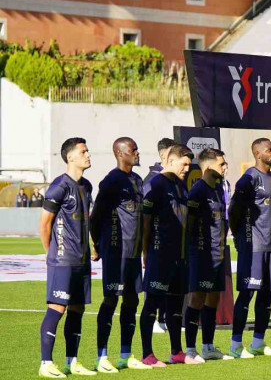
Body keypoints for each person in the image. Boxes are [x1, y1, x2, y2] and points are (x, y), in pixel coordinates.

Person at [89, 137, 150, 372]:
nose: (137, 152)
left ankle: (125, 354)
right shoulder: (111, 181)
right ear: (119, 153)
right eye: (133, 149)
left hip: (133, 253)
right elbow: (96, 218)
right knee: (111, 300)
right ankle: (101, 356)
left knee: (132, 300)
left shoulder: (136, 179)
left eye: (136, 148)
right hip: (117, 251)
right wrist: (97, 245)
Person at [38, 138, 96, 378]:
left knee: (77, 309)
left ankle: (71, 361)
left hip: (82, 260)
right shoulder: (59, 186)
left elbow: (86, 221)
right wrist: (50, 254)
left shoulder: (87, 186)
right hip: (62, 260)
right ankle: (45, 363)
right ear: (70, 157)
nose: (88, 154)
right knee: (57, 307)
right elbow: (44, 225)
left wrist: (92, 246)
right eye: (83, 151)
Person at [228, 138, 271, 358]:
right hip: (254, 247)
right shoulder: (249, 178)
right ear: (258, 154)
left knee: (267, 295)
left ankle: (258, 342)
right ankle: (235, 345)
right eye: (270, 149)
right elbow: (233, 211)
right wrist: (241, 238)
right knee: (247, 294)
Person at [140, 144, 193, 367]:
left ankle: (176, 352)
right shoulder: (155, 184)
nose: (187, 169)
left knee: (175, 306)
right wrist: (146, 252)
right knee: (152, 303)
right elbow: (145, 221)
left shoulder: (180, 185)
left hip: (180, 257)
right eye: (184, 164)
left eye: (189, 165)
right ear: (171, 161)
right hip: (160, 255)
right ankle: (147, 354)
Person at [183, 148, 233, 363]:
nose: (225, 167)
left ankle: (208, 347)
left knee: (213, 300)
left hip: (218, 253)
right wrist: (191, 252)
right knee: (197, 299)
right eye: (222, 164)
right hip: (202, 255)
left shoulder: (218, 188)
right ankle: (190, 350)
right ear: (210, 166)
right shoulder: (198, 190)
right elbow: (189, 224)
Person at [145, 137, 175, 335]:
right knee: (154, 281)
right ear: (164, 155)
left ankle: (163, 318)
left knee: (169, 282)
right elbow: (146, 215)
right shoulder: (153, 180)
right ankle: (154, 318)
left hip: (171, 241)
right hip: (156, 240)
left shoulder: (174, 180)